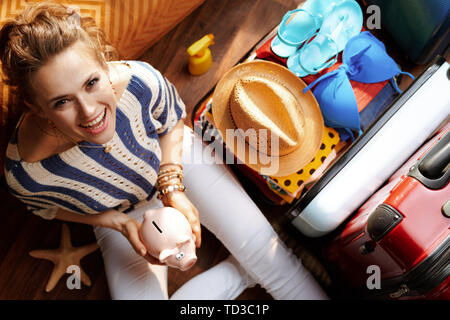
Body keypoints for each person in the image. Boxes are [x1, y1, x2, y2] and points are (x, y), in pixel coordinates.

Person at [0, 2, 328, 300]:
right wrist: (113, 221)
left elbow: (173, 122)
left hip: (178, 163)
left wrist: (171, 183)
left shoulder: (141, 82)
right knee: (258, 256)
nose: (89, 112)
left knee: (277, 264)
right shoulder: (27, 173)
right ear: (36, 108)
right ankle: (243, 269)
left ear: (104, 63)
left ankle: (255, 259)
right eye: (61, 101)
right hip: (122, 211)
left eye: (91, 83)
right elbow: (47, 209)